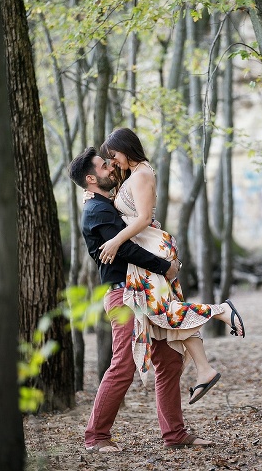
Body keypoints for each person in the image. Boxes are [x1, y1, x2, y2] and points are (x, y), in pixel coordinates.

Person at [69, 147, 214, 451]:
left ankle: (174, 434)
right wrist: (166, 266)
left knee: (169, 360)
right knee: (123, 364)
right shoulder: (96, 211)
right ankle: (95, 437)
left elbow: (136, 232)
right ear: (92, 178)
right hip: (125, 295)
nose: (111, 167)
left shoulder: (107, 204)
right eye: (103, 166)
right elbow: (126, 250)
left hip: (143, 291)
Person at [93, 127, 245, 404]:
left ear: (125, 149)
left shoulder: (141, 175)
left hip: (151, 248)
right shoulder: (134, 173)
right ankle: (205, 369)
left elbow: (141, 220)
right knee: (167, 317)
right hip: (150, 247)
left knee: (162, 310)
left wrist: (115, 241)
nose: (113, 161)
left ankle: (220, 310)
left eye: (114, 155)